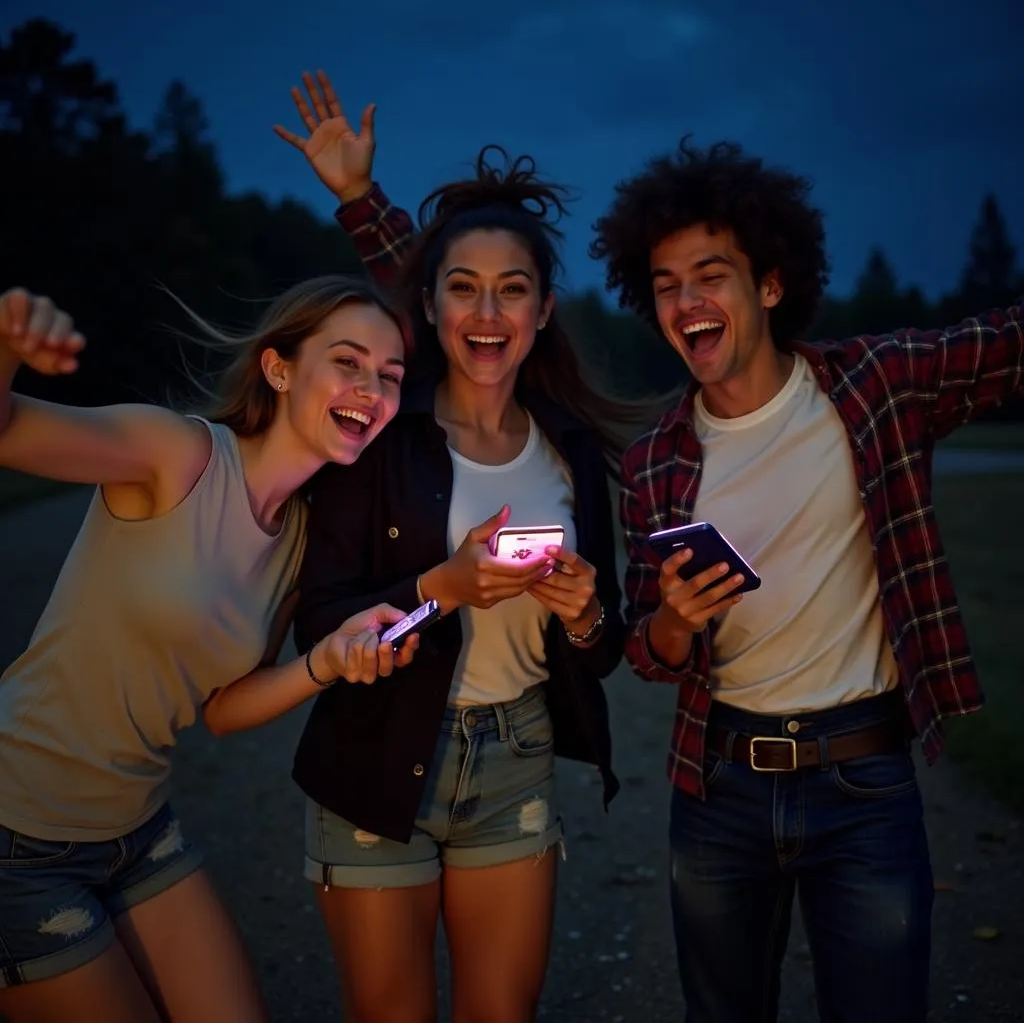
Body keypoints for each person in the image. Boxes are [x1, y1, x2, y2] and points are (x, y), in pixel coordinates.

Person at [588, 138, 1024, 1022]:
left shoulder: (875, 386)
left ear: (771, 285)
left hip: (864, 785)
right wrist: (675, 620)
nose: (686, 300)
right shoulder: (653, 462)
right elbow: (648, 650)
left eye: (710, 274)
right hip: (719, 791)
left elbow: (1009, 344)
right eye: (666, 283)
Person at [276, 70, 632, 1022]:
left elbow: (605, 647)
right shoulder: (378, 439)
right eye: (463, 289)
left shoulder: (572, 449)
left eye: (512, 291)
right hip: (378, 745)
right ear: (427, 305)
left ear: (544, 310)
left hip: (515, 749)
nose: (486, 313)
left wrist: (585, 611)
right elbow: (320, 616)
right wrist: (442, 587)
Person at [0, 275, 421, 1023]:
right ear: (279, 367)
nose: (372, 389)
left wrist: (323, 662)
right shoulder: (178, 453)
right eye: (348, 362)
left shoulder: (297, 537)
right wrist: (5, 351)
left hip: (139, 831)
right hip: (17, 832)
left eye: (390, 376)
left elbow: (223, 711)